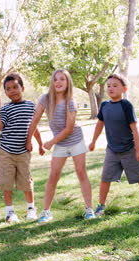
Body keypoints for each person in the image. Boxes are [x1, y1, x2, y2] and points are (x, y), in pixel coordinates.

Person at [27, 69, 95, 223]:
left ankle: (89, 209)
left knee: (81, 172)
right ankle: (46, 212)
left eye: (62, 79)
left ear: (68, 82)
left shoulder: (70, 101)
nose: (58, 82)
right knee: (53, 176)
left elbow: (69, 128)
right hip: (60, 143)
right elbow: (35, 119)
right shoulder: (45, 99)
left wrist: (51, 142)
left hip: (75, 140)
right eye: (55, 79)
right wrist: (28, 140)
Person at [89, 74, 139, 216]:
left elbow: (135, 129)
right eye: (108, 85)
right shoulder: (105, 105)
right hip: (112, 151)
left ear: (124, 89)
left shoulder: (126, 105)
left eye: (115, 85)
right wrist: (93, 141)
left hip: (129, 150)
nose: (111, 88)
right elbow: (99, 125)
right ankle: (101, 206)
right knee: (105, 178)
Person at [0, 73, 45, 223]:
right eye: (8, 89)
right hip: (6, 152)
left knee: (26, 182)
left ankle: (31, 209)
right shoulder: (6, 109)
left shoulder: (30, 106)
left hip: (23, 152)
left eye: (15, 87)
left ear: (22, 88)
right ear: (5, 92)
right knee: (6, 183)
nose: (12, 90)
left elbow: (34, 128)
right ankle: (10, 212)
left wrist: (40, 144)